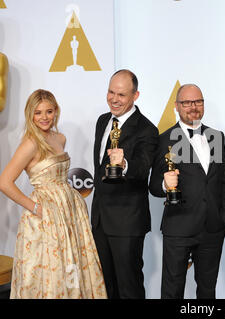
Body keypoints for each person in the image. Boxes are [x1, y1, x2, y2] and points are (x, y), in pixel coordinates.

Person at [0, 89, 107, 298]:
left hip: (68, 210)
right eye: (38, 113)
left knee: (71, 264)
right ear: (30, 114)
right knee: (49, 269)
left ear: (56, 111)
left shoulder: (60, 138)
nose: (44, 117)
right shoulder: (30, 144)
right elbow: (4, 182)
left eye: (49, 111)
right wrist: (36, 208)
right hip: (45, 215)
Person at [149, 84, 225, 299]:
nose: (193, 107)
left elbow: (224, 180)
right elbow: (153, 186)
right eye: (186, 102)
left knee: (207, 290)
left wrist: (224, 216)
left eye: (198, 101)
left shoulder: (217, 136)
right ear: (177, 106)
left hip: (213, 227)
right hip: (179, 226)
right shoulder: (164, 139)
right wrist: (166, 185)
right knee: (172, 290)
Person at [91, 69, 159, 299]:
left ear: (135, 96)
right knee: (106, 288)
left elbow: (142, 169)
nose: (113, 99)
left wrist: (125, 163)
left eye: (121, 94)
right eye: (111, 92)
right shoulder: (102, 121)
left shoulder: (147, 129)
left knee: (129, 288)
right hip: (100, 220)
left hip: (127, 223)